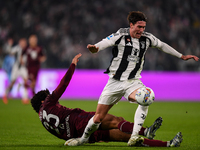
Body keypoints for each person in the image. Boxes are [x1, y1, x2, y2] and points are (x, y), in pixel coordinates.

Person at [69, 11, 199, 146]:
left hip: (132, 82)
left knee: (146, 98)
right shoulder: (120, 35)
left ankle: (134, 136)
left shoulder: (147, 38)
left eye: (143, 27)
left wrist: (181, 56)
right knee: (98, 118)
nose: (141, 30)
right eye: (139, 27)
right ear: (131, 25)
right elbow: (105, 42)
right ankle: (83, 139)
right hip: (114, 82)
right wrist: (95, 48)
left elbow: (162, 45)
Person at [31, 54, 183, 147]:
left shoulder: (42, 120)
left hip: (79, 135)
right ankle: (147, 131)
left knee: (128, 138)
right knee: (116, 120)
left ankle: (168, 144)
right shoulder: (48, 103)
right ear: (43, 100)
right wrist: (72, 65)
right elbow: (63, 84)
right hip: (79, 121)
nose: (57, 102)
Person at [3, 38, 29, 104]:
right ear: (19, 43)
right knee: (12, 82)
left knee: (26, 82)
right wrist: (9, 45)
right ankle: (5, 94)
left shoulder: (27, 49)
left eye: (24, 43)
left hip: (23, 67)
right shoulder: (17, 48)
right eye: (21, 42)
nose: (22, 44)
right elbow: (10, 51)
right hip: (16, 67)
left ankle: (25, 98)